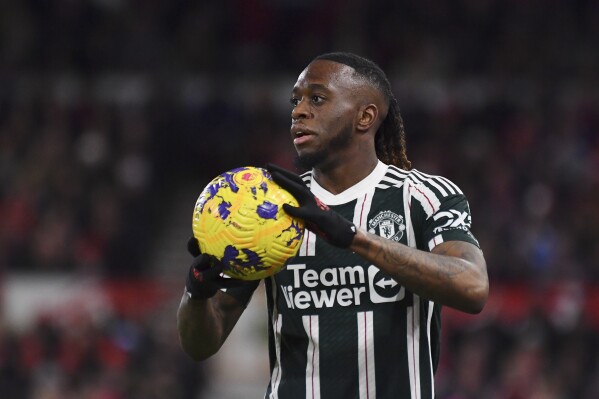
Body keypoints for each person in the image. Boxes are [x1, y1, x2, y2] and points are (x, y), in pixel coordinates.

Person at [177, 52, 489, 399]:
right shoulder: (271, 208)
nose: (298, 111)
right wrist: (197, 294)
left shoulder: (423, 196)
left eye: (317, 98)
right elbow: (201, 344)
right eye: (295, 100)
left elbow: (472, 287)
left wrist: (352, 238)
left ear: (365, 116)